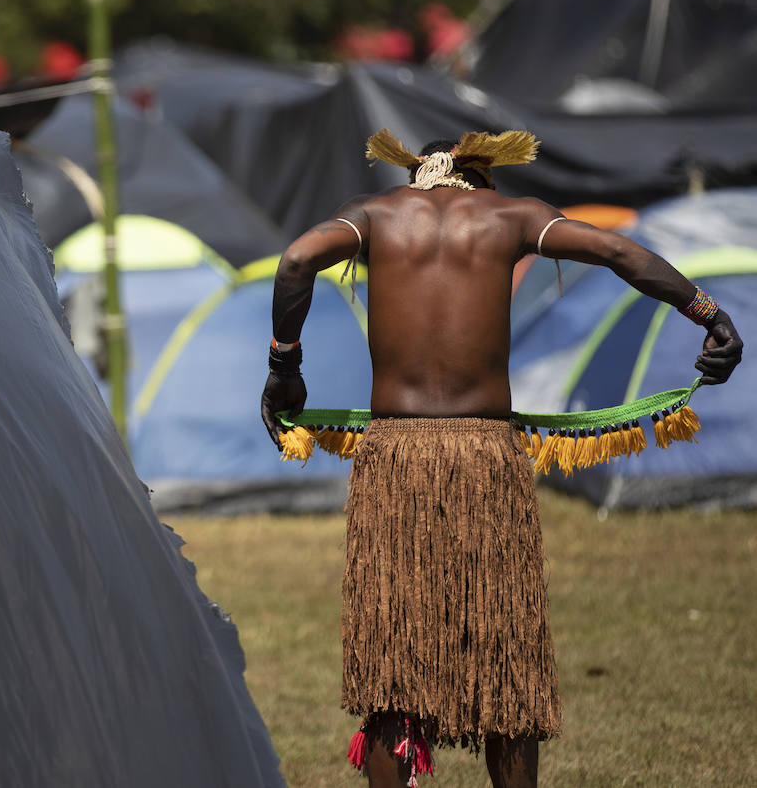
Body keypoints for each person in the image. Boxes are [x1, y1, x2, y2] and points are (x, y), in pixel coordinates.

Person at [259, 130, 743, 788]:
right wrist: (710, 315)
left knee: (394, 670)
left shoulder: (375, 214)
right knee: (505, 664)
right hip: (486, 457)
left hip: (396, 457)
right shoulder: (510, 217)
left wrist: (284, 364)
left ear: (417, 175)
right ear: (482, 174)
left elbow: (295, 261)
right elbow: (614, 247)